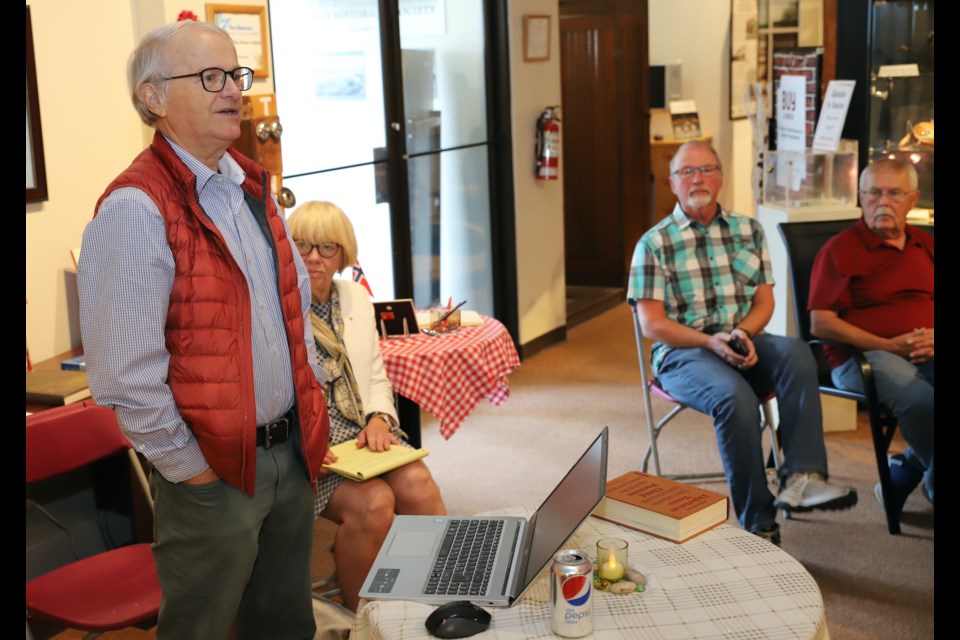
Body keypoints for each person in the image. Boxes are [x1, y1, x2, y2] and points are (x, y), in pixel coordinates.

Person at [77, 21, 329, 640]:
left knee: (284, 625)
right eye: (209, 77)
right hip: (213, 474)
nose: (233, 92)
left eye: (235, 75)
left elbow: (296, 313)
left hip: (288, 455)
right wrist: (192, 469)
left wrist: (310, 417)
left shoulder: (250, 187)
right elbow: (123, 376)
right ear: (153, 98)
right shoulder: (135, 208)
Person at [628, 140, 857, 544]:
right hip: (683, 353)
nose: (697, 178)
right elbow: (652, 324)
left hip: (741, 338)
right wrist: (708, 341)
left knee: (795, 352)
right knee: (736, 399)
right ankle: (758, 520)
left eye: (705, 169)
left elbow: (764, 301)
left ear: (720, 176)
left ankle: (803, 477)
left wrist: (743, 333)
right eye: (687, 172)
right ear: (672, 183)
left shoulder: (748, 229)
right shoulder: (653, 244)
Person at [287, 200, 446, 611]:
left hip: (362, 431)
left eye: (326, 248)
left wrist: (379, 418)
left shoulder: (355, 295)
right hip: (312, 445)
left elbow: (375, 373)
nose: (313, 258)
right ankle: (366, 619)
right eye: (301, 245)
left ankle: (437, 590)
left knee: (419, 485)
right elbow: (272, 396)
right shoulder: (279, 307)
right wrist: (304, 443)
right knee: (375, 505)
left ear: (343, 252)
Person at [808, 158, 933, 518]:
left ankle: (907, 469)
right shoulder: (840, 250)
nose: (884, 202)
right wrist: (889, 345)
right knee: (921, 400)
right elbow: (821, 323)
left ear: (913, 199)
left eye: (895, 193)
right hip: (861, 357)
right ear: (860, 196)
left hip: (925, 350)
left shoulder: (926, 245)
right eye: (874, 192)